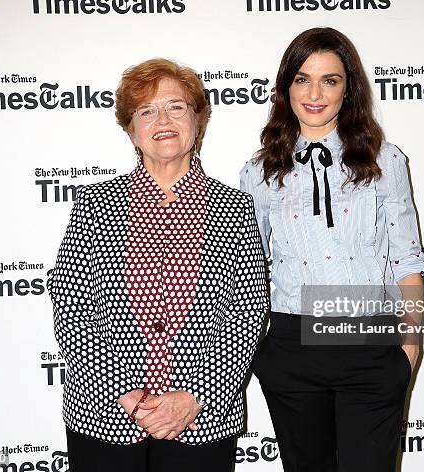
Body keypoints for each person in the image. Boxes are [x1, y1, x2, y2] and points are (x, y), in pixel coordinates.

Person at [48, 58, 268, 472]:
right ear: (131, 130)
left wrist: (194, 397)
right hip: (103, 415)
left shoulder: (235, 207)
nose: (162, 120)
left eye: (176, 106)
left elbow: (247, 313)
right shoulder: (95, 205)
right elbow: (71, 307)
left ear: (197, 120)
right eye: (146, 111)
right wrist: (123, 393)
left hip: (202, 417)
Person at [240, 28, 424, 472]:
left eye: (331, 80)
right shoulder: (258, 172)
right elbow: (251, 270)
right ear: (286, 88)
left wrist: (411, 341)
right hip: (291, 344)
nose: (315, 93)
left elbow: (406, 256)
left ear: (349, 88)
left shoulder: (386, 160)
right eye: (303, 79)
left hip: (370, 341)